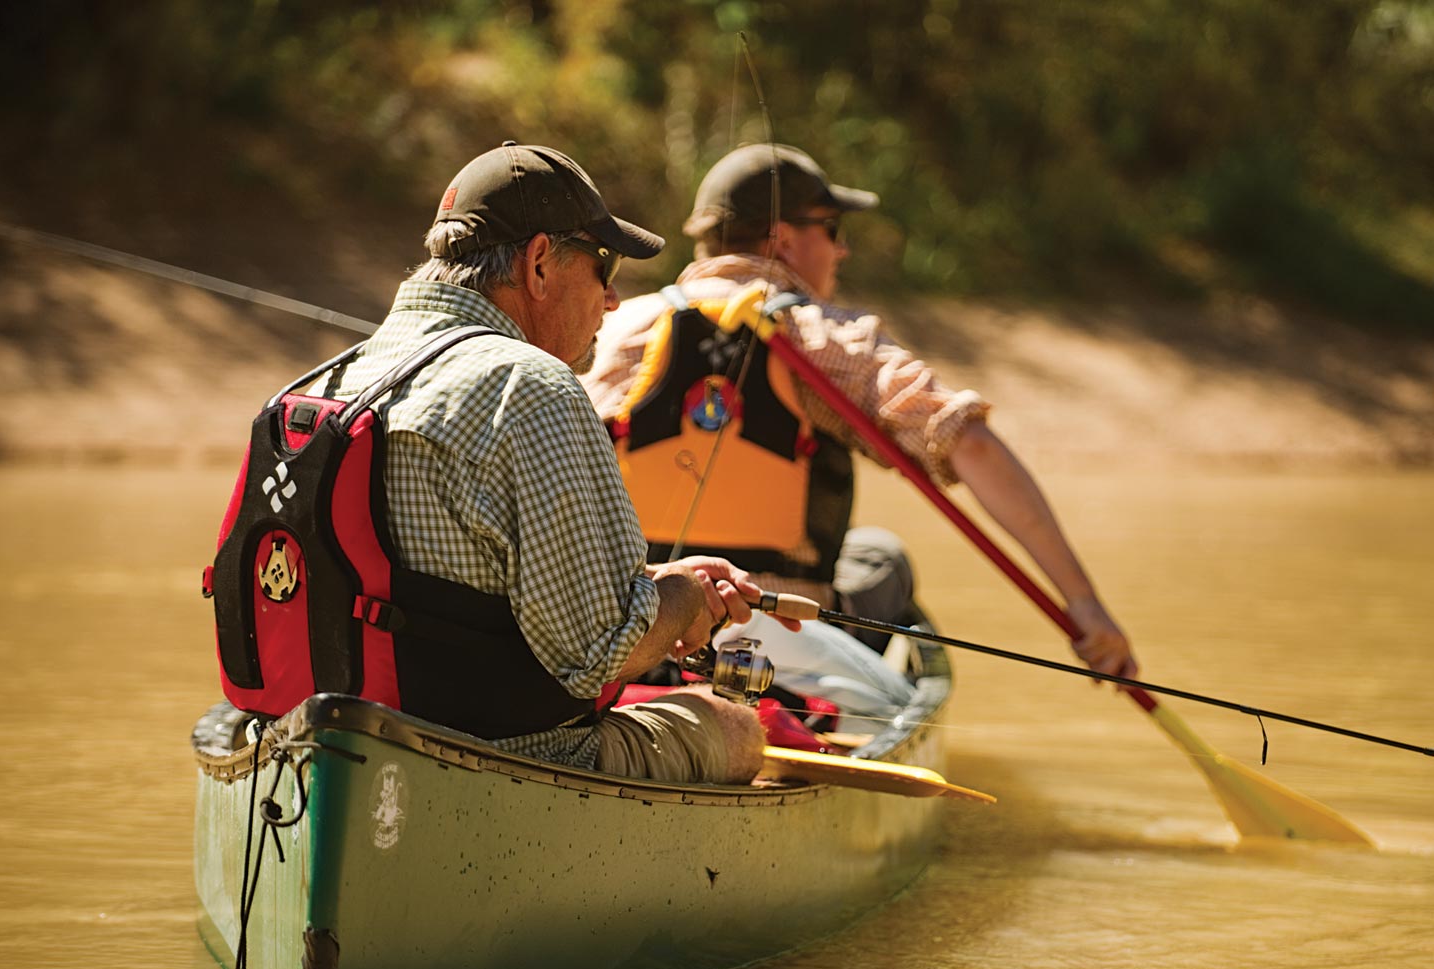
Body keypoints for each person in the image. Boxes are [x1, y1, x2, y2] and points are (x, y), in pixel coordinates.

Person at [314, 142, 792, 783]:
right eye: (604, 266)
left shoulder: (332, 379)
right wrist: (681, 599)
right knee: (733, 723)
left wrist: (660, 580)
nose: (615, 298)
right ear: (539, 264)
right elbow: (598, 656)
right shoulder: (532, 387)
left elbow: (456, 582)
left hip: (331, 744)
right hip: (505, 760)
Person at [584, 143, 1137, 679]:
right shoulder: (827, 339)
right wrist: (1083, 605)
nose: (842, 250)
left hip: (643, 622)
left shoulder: (615, 327)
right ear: (782, 241)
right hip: (779, 631)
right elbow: (967, 443)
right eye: (833, 231)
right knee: (883, 558)